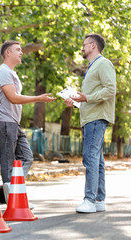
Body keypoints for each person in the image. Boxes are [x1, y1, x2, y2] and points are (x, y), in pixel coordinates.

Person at [0, 40, 56, 204]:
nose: (21, 52)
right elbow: (13, 98)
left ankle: (12, 192)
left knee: (26, 157)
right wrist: (38, 98)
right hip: (5, 121)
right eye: (18, 50)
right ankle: (12, 200)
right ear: (8, 53)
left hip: (13, 123)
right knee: (7, 162)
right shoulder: (3, 72)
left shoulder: (11, 72)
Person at [65, 33, 116, 213]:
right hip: (90, 117)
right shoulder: (92, 67)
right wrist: (77, 100)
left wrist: (87, 97)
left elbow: (110, 90)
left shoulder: (103, 64)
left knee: (90, 157)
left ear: (93, 46)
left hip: (96, 118)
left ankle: (90, 200)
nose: (82, 47)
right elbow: (90, 97)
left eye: (84, 44)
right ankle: (99, 199)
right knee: (98, 160)